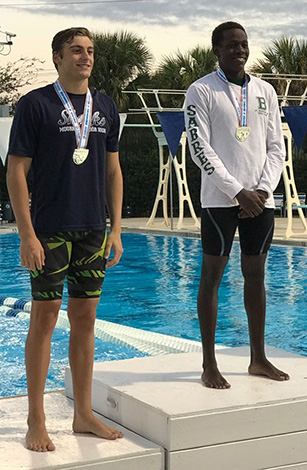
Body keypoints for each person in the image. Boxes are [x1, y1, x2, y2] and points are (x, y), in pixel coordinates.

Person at [6, 27, 124, 452]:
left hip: (93, 229)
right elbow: (16, 171)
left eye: (89, 51)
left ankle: (83, 412)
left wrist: (117, 229)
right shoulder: (34, 104)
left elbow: (113, 170)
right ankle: (36, 417)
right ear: (57, 57)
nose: (85, 57)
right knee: (45, 317)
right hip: (51, 229)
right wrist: (27, 235)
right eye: (76, 51)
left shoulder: (106, 107)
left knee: (86, 320)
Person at [184, 21, 289, 389]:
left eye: (244, 44)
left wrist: (261, 190)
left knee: (255, 276)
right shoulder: (201, 91)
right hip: (219, 201)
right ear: (216, 49)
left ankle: (258, 358)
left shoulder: (265, 91)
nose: (239, 50)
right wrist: (235, 191)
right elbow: (200, 149)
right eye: (231, 45)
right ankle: (209, 364)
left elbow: (276, 146)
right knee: (211, 278)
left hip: (260, 199)